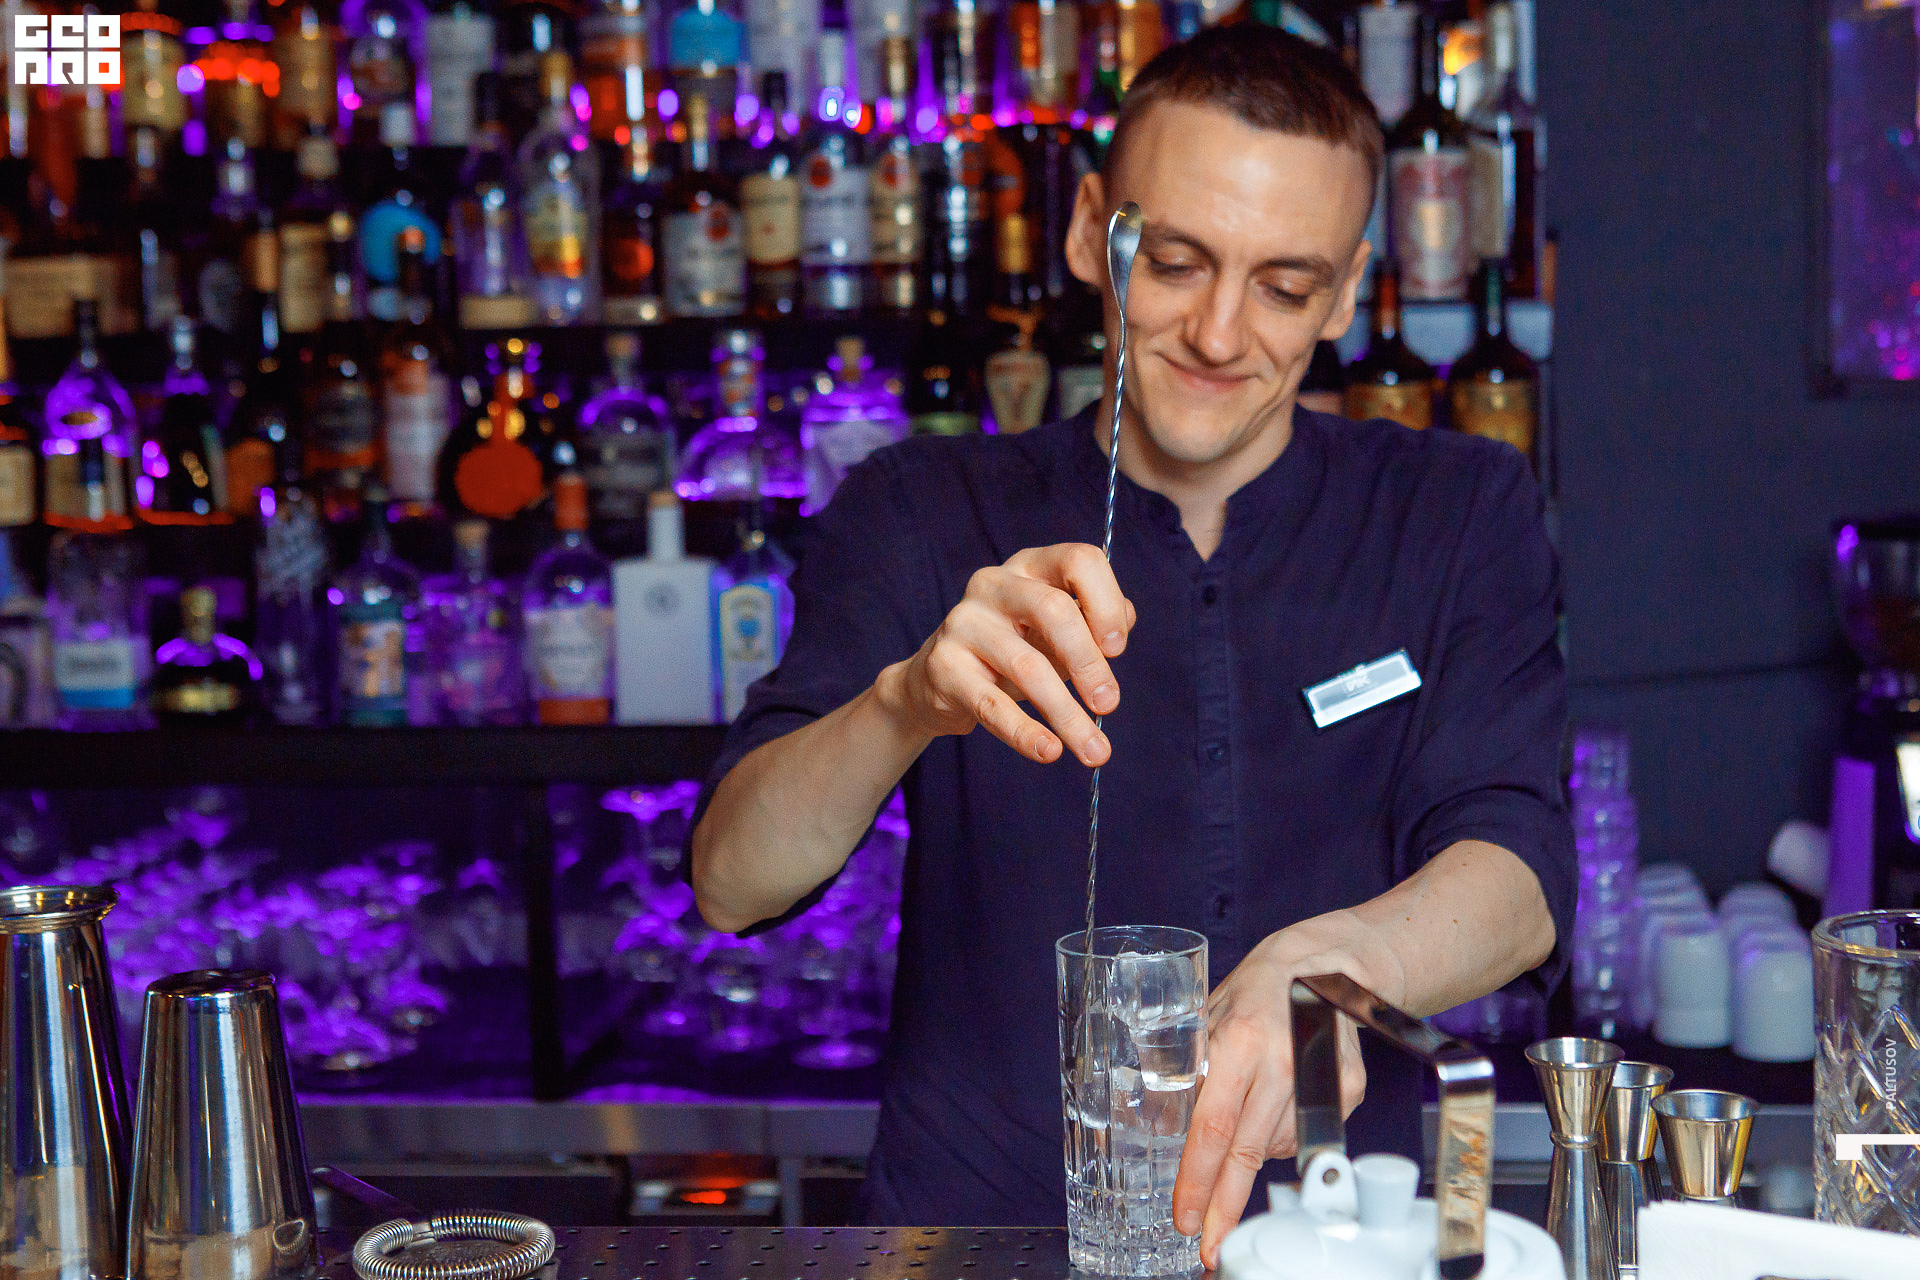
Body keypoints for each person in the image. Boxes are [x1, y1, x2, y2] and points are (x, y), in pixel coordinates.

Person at [688, 25, 1574, 1268]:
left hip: (1328, 1243)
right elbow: (733, 880)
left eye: (1285, 287)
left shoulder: (1457, 508)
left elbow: (1519, 875)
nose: (1218, 332)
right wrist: (903, 701)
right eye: (1173, 262)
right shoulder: (920, 508)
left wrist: (1336, 961)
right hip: (974, 1241)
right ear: (1086, 230)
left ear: (1348, 290)